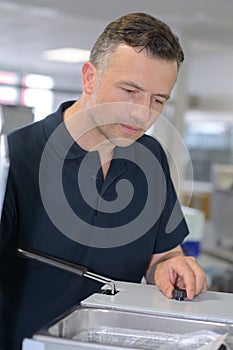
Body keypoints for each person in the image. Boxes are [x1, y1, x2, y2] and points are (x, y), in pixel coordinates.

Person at [0, 12, 207, 349]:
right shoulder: (15, 156)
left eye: (158, 100)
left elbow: (164, 256)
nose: (142, 112)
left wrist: (174, 265)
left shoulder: (151, 157)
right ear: (89, 77)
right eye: (129, 90)